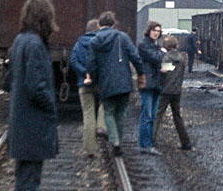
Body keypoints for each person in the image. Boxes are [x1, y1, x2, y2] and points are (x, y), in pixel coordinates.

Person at [5, 0, 59, 191]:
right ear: (44, 17)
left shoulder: (19, 40)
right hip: (33, 123)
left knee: (23, 180)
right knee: (29, 182)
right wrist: (52, 107)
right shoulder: (35, 44)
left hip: (22, 122)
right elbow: (37, 87)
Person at [87, 11, 145, 156]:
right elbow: (135, 57)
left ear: (99, 25)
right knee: (121, 113)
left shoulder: (94, 41)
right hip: (124, 81)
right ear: (113, 24)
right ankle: (118, 140)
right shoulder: (122, 37)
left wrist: (94, 81)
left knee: (108, 112)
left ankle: (115, 141)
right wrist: (141, 74)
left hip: (105, 82)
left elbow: (91, 65)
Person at [70, 19, 107, 157]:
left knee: (88, 114)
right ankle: (102, 126)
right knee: (106, 103)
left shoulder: (79, 43)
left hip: (84, 83)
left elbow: (73, 61)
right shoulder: (101, 43)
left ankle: (90, 149)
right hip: (100, 82)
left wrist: (84, 73)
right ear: (97, 29)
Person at [154, 36, 192, 150]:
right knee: (177, 117)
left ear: (166, 46)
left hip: (165, 90)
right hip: (177, 91)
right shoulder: (181, 58)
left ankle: (150, 140)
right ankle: (186, 142)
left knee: (157, 115)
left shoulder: (166, 58)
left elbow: (163, 72)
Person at [138, 21, 165, 155]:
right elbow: (155, 58)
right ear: (149, 31)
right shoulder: (144, 45)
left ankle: (147, 143)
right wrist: (163, 52)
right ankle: (145, 145)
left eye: (158, 31)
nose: (156, 33)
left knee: (151, 115)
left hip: (155, 84)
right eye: (154, 30)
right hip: (148, 84)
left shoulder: (155, 46)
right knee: (147, 115)